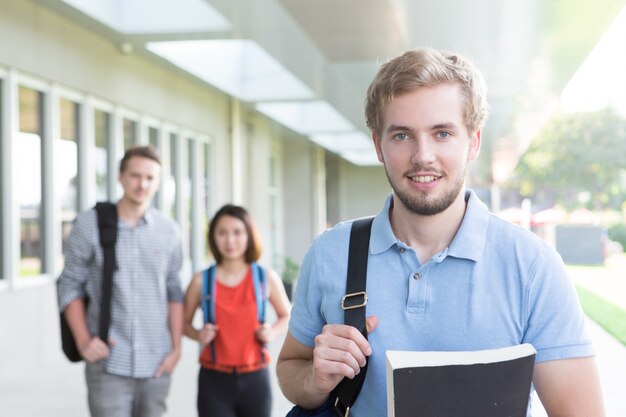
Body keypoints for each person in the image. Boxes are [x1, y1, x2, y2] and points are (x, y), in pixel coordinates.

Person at [276, 48, 605, 416]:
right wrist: (315, 380)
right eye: (402, 136)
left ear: (474, 142)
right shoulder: (331, 253)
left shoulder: (532, 266)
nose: (423, 156)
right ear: (377, 146)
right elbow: (290, 368)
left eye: (442, 133)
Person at [58, 145, 184, 417]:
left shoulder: (169, 231)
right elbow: (69, 284)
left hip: (157, 363)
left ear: (159, 182)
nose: (142, 184)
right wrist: (82, 341)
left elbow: (175, 292)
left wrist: (176, 349)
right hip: (109, 363)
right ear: (121, 177)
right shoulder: (89, 224)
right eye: (135, 176)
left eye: (150, 178)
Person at [183, 204, 291, 417]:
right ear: (213, 237)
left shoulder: (265, 278)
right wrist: (199, 334)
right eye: (222, 233)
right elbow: (184, 325)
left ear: (249, 235)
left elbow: (286, 315)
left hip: (255, 379)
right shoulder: (200, 281)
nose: (230, 240)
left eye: (237, 232)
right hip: (213, 381)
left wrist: (271, 331)